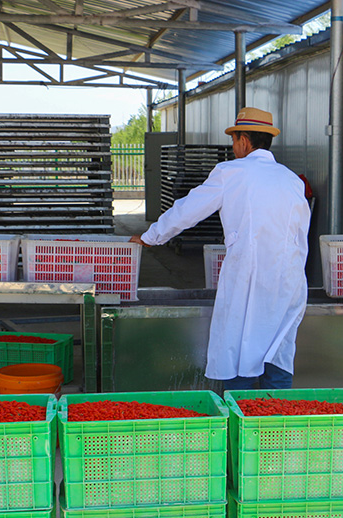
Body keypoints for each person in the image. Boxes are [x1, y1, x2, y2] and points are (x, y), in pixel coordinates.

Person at [131, 107, 310, 390]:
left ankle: (241, 425)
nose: (233, 147)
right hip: (288, 281)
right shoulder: (290, 179)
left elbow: (188, 210)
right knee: (278, 351)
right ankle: (277, 425)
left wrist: (151, 236)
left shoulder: (230, 172)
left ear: (244, 140)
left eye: (234, 140)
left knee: (239, 349)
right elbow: (302, 236)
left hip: (247, 278)